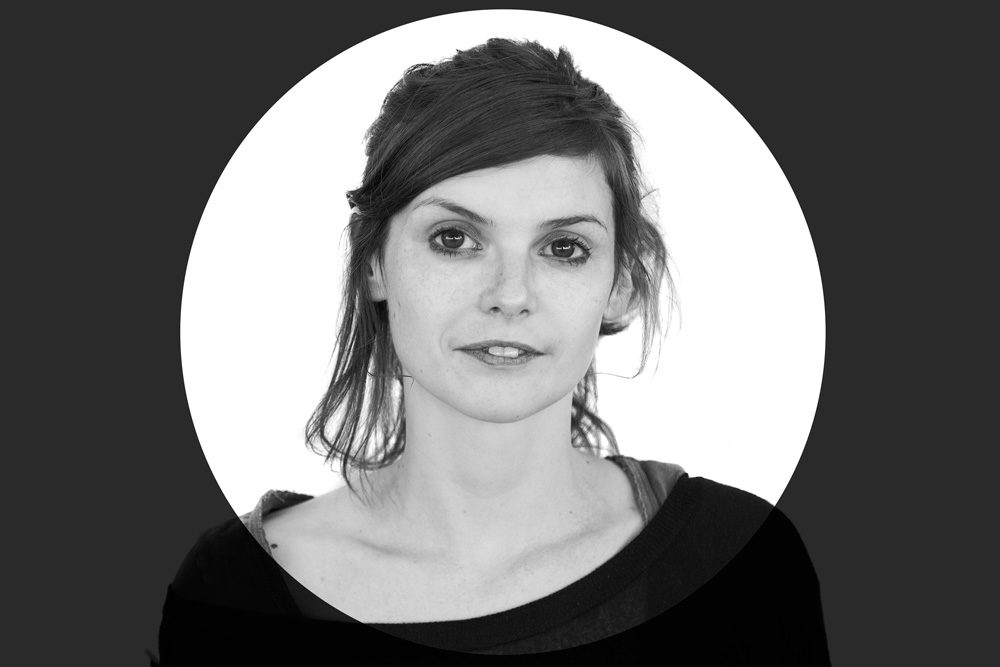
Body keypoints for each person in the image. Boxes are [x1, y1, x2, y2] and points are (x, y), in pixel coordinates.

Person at [155, 38, 829, 663]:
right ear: (374, 263)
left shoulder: (742, 564)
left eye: (563, 247)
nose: (510, 294)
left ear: (620, 283)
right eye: (454, 239)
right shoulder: (231, 591)